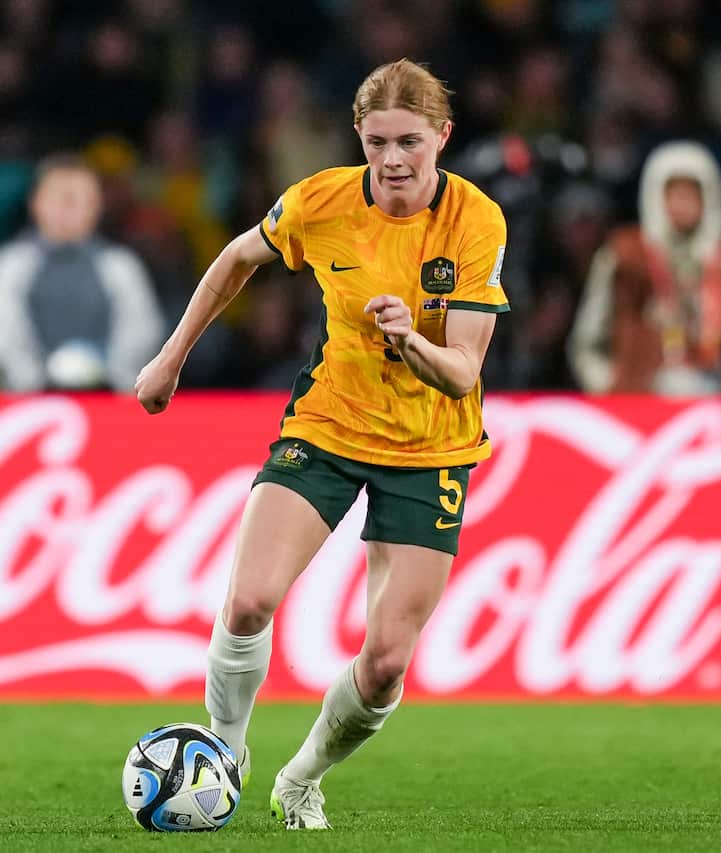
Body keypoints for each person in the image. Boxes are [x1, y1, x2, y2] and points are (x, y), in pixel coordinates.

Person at [135, 59, 509, 830]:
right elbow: (238, 258)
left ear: (442, 136)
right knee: (248, 600)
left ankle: (302, 777)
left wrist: (410, 340)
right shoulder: (321, 201)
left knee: (387, 661)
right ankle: (225, 752)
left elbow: (463, 372)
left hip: (431, 448)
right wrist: (170, 358)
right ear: (359, 136)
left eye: (409, 142)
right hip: (328, 425)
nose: (393, 160)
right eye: (377, 142)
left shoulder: (476, 221)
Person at [568, 141, 721, 395]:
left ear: (709, 198)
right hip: (639, 402)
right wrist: (607, 388)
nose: (683, 204)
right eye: (674, 195)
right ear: (655, 196)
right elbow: (587, 340)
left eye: (691, 195)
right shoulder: (623, 257)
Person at [0, 154, 163, 392]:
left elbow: (141, 331)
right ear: (36, 203)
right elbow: (2, 335)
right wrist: (35, 384)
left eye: (84, 199)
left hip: (110, 398)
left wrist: (113, 382)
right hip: (29, 400)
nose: (71, 208)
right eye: (62, 198)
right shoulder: (11, 263)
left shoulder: (120, 265)